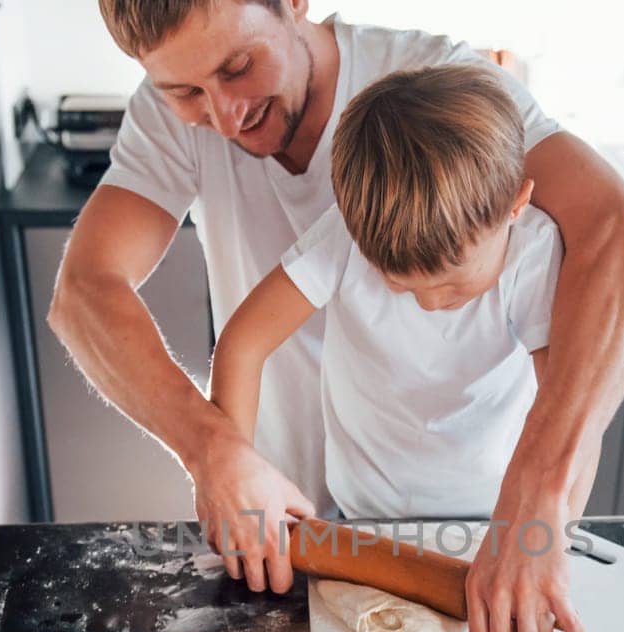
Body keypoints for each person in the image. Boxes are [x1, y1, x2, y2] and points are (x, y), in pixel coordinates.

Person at [48, 0, 624, 632]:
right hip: (294, 517)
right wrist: (215, 449)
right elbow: (84, 292)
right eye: (183, 91)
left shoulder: (442, 90)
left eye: (238, 66)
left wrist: (539, 494)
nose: (224, 116)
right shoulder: (177, 118)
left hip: (480, 510)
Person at [210, 65, 584, 534]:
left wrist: (554, 531)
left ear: (515, 204)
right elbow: (243, 345)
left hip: (494, 518)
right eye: (399, 284)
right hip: (360, 511)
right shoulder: (345, 236)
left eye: (452, 284)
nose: (428, 304)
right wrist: (234, 467)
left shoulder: (534, 255)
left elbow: (569, 413)